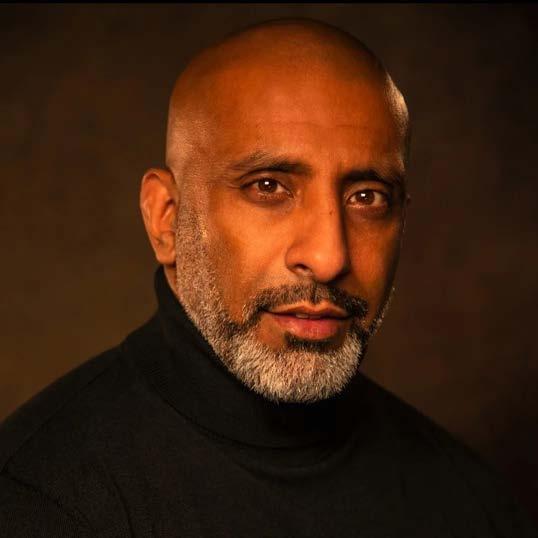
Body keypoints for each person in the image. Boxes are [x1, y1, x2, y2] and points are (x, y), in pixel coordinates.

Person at [0, 18, 536, 537]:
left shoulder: (472, 504)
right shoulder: (39, 499)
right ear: (166, 220)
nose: (328, 258)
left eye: (367, 197)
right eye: (268, 187)